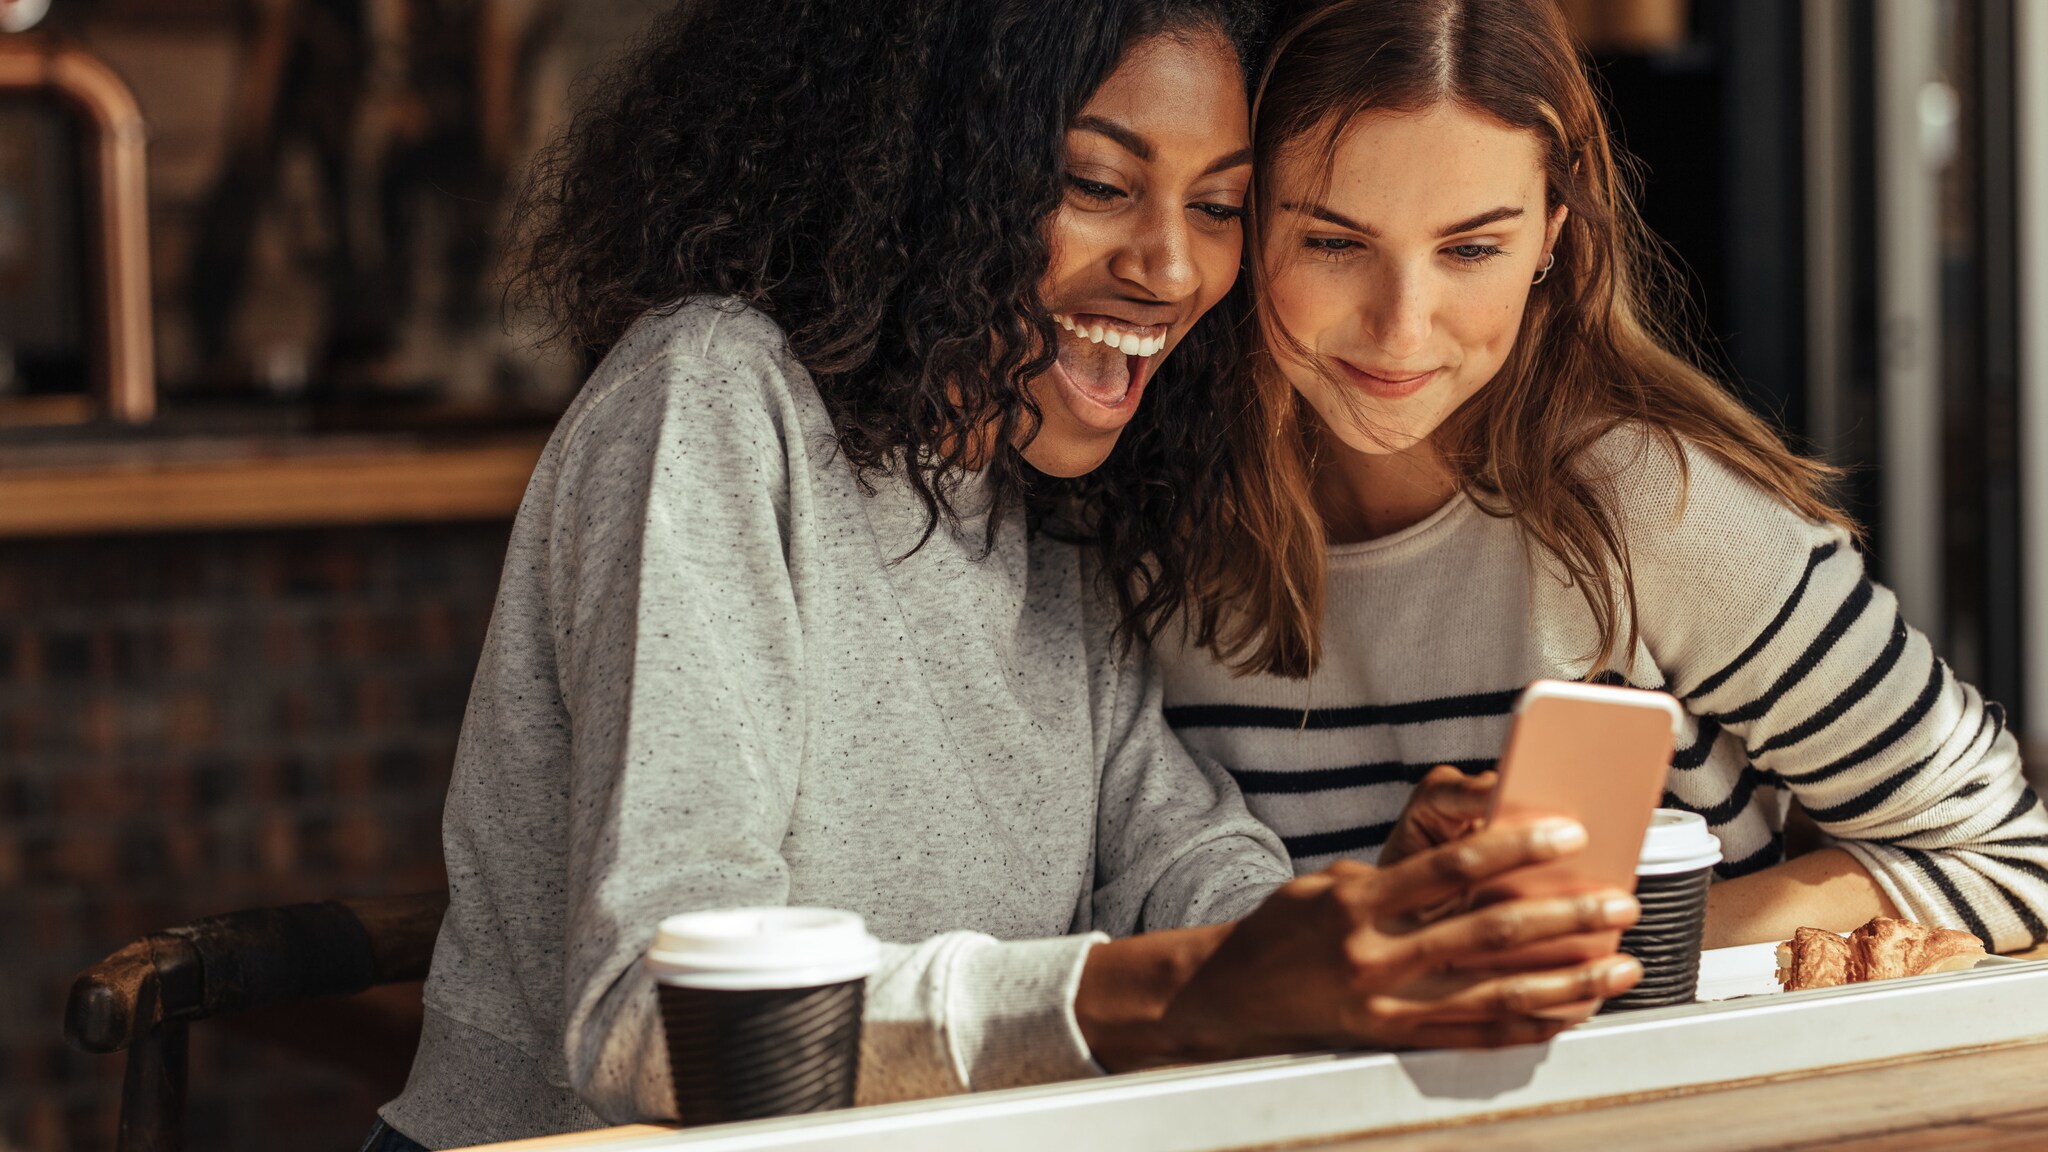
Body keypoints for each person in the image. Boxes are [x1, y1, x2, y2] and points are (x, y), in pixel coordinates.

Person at [368, 1, 1644, 1147]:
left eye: (1215, 207)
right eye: (1095, 183)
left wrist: (1369, 920)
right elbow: (658, 1013)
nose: (1171, 267)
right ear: (924, 166)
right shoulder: (712, 399)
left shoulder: (1045, 496)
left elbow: (1176, 864)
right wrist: (1173, 991)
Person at [1157, 0, 2048, 958]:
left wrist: (1634, 941)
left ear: (1551, 233)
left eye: (1471, 248)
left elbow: (2014, 859)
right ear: (1237, 218)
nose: (1402, 328)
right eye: (1334, 242)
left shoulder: (1654, 510)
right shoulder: (1141, 534)